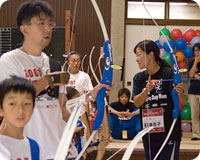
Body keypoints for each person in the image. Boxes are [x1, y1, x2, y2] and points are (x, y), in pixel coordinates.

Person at [0, 1, 113, 159]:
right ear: (24, 29)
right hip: (27, 150)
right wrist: (48, 80)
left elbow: (62, 110)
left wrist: (90, 96)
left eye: (50, 23)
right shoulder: (9, 61)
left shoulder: (52, 63)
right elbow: (13, 102)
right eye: (41, 24)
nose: (48, 29)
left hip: (58, 149)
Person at [132, 40, 187, 160]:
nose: (136, 59)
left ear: (151, 54)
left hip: (169, 133)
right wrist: (146, 91)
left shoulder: (168, 74)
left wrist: (180, 92)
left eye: (139, 54)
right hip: (149, 134)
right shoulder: (139, 77)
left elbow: (182, 101)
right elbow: (137, 102)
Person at [0, 76, 45, 159]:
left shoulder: (35, 147)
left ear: (33, 107)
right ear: (1, 109)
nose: (20, 110)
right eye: (12, 104)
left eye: (27, 104)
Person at [188, 42, 200, 141]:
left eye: (198, 50)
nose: (197, 52)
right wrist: (196, 62)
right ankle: (196, 135)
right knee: (194, 114)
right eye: (195, 50)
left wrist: (197, 76)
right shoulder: (191, 62)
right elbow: (191, 75)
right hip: (193, 91)